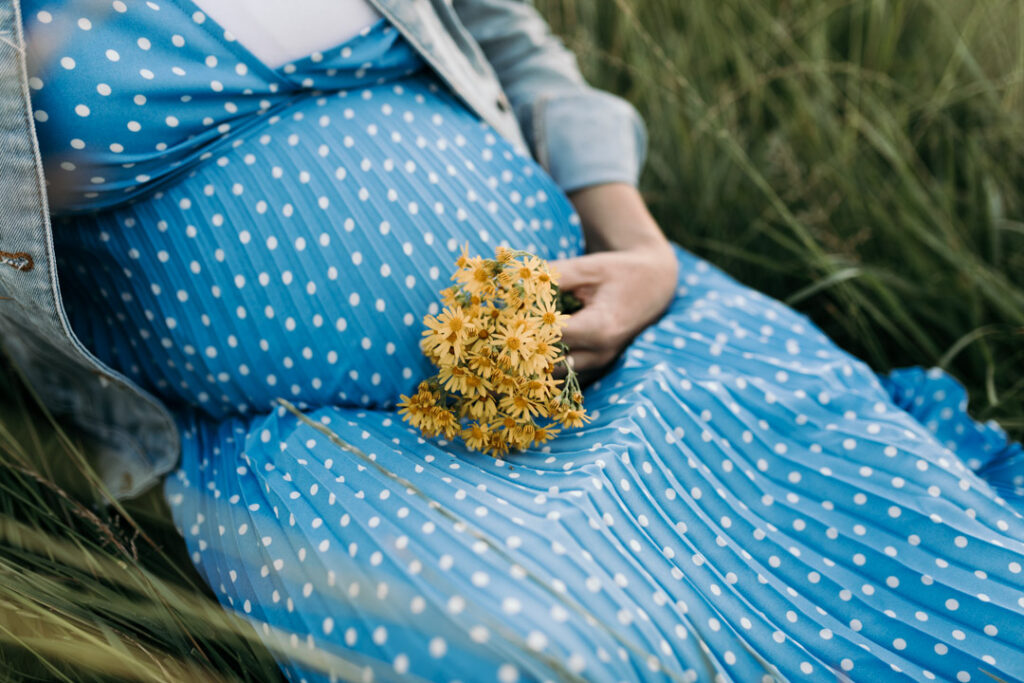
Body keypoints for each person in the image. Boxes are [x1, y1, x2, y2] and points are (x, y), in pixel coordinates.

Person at [7, 0, 1024, 681]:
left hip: (616, 336)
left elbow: (516, 45)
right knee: (524, 653)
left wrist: (643, 256)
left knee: (930, 558)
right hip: (327, 439)